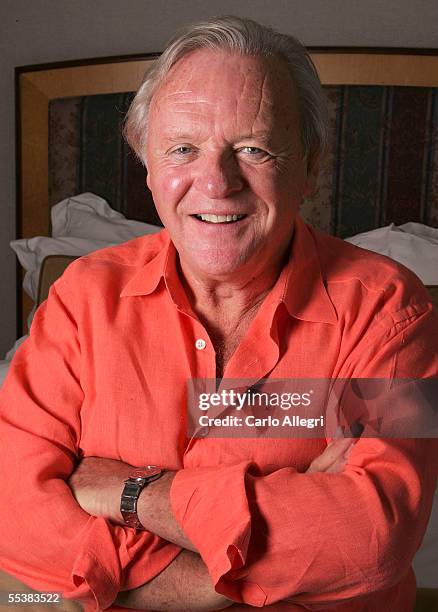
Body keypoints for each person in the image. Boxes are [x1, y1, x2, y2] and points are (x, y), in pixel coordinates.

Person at [0, 15, 437, 612]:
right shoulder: (81, 299)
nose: (216, 181)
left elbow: (373, 539)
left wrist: (136, 496)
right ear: (147, 166)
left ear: (310, 165)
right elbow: (13, 510)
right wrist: (200, 585)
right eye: (183, 149)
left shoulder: (393, 308)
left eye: (253, 149)